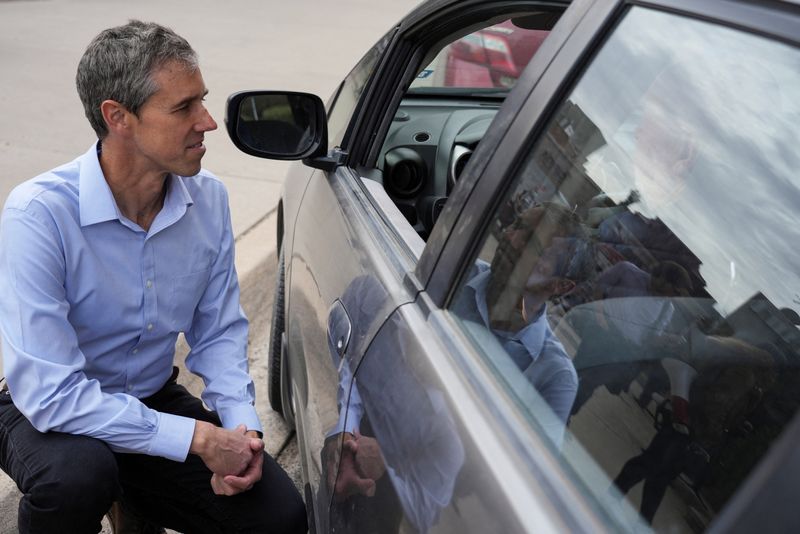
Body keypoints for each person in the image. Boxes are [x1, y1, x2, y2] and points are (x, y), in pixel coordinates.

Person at [0, 21, 306, 533]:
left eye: (202, 101)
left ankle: (135, 497)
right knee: (78, 477)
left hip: (149, 396)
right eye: (184, 107)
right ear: (118, 117)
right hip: (43, 411)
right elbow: (51, 394)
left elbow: (220, 336)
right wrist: (198, 440)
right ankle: (117, 491)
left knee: (279, 515)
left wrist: (244, 434)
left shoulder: (208, 201)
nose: (207, 122)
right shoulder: (39, 213)